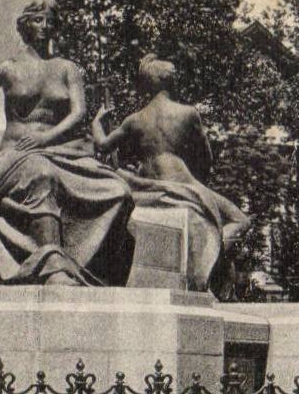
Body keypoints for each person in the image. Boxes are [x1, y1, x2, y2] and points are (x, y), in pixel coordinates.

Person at [0, 3, 132, 286]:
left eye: (49, 21)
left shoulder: (66, 69)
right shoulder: (7, 69)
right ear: (25, 26)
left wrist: (45, 138)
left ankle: (91, 269)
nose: (45, 26)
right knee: (41, 175)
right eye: (38, 20)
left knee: (119, 190)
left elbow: (79, 113)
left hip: (60, 150)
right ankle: (52, 265)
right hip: (17, 154)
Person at [91, 57, 250, 291]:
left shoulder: (134, 120)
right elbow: (206, 156)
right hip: (183, 182)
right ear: (170, 81)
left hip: (146, 184)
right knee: (241, 220)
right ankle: (212, 254)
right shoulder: (187, 113)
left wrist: (97, 122)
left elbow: (103, 145)